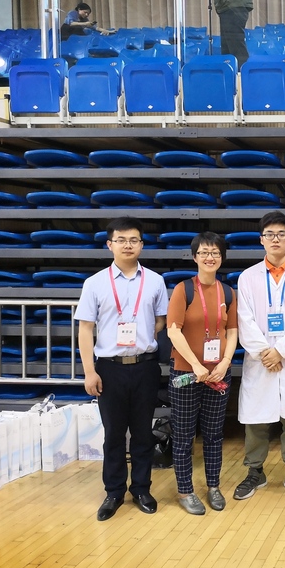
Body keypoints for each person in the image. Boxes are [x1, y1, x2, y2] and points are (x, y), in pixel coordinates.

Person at [76, 217, 168, 522]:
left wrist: (141, 339)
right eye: (121, 240)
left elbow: (160, 321)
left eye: (134, 240)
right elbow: (85, 329)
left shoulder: (155, 281)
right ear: (110, 244)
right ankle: (114, 492)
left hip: (144, 367)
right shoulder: (94, 283)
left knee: (143, 432)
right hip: (109, 368)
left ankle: (141, 489)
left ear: (141, 244)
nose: (128, 245)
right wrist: (89, 372)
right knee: (114, 434)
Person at [234, 211, 285, 501]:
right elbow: (244, 319)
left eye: (281, 234)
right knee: (256, 418)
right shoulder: (248, 277)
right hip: (261, 358)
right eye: (269, 234)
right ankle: (254, 470)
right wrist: (265, 352)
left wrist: (280, 351)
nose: (275, 239)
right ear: (261, 240)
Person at [166, 232, 238, 515]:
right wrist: (195, 364)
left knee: (214, 434)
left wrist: (226, 361)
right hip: (187, 373)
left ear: (222, 258)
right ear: (195, 257)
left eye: (215, 253)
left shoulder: (228, 292)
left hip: (218, 373)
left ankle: (213, 486)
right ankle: (185, 491)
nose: (210, 257)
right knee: (184, 436)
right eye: (204, 252)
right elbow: (173, 330)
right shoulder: (183, 290)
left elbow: (232, 330)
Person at [214, 0, 253, 67]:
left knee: (236, 48)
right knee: (227, 50)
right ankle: (233, 73)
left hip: (233, 4)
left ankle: (243, 72)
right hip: (228, 4)